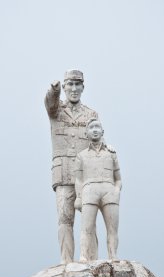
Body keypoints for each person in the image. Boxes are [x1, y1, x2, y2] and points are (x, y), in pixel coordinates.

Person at [44, 70, 99, 264]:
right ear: (65, 87)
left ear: (83, 87)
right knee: (65, 218)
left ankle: (91, 261)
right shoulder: (56, 110)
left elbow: (96, 140)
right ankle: (66, 262)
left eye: (78, 85)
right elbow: (50, 102)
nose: (74, 89)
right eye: (70, 85)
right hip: (64, 173)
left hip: (86, 175)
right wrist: (54, 89)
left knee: (89, 219)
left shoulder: (91, 114)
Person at [74, 118, 122, 261]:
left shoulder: (111, 153)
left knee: (112, 228)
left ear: (102, 131)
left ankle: (113, 256)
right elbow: (78, 179)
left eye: (97, 127)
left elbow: (118, 178)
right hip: (89, 189)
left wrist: (117, 191)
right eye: (91, 127)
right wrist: (78, 197)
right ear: (86, 133)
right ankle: (83, 256)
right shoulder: (81, 155)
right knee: (86, 227)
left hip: (109, 190)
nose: (94, 130)